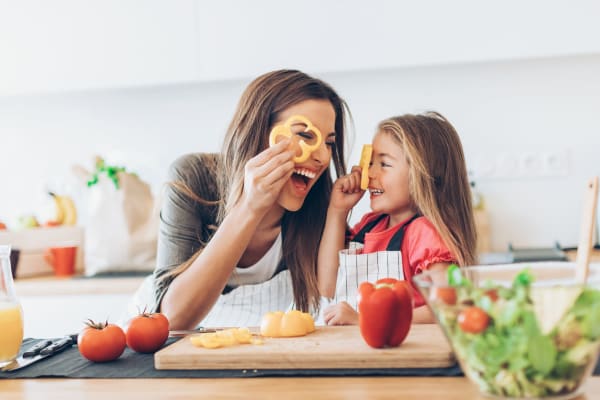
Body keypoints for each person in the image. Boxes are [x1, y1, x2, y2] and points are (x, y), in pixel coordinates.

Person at [148, 70, 350, 330]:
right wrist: (250, 206)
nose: (322, 157)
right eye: (306, 136)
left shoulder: (321, 206)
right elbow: (173, 321)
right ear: (259, 131)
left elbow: (329, 297)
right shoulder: (193, 176)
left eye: (329, 143)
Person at [317, 112, 477, 325]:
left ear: (422, 174)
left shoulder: (424, 233)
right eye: (370, 163)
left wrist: (365, 319)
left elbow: (449, 307)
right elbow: (327, 287)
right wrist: (337, 211)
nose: (369, 174)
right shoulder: (370, 225)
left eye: (383, 164)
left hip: (404, 355)